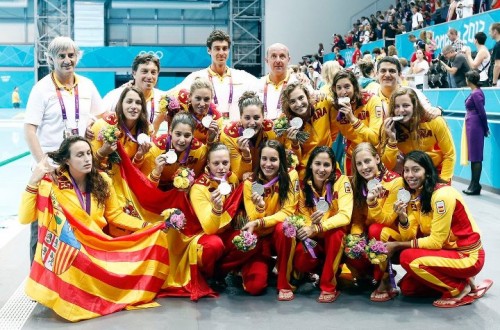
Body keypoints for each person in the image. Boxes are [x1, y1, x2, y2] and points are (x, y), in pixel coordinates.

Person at [18, 136, 169, 321]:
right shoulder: (53, 184)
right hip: (71, 251)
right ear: (67, 160)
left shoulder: (102, 179)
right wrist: (33, 181)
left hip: (97, 247)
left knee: (129, 267)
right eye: (80, 155)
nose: (87, 159)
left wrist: (148, 226)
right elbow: (25, 218)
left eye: (89, 153)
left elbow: (115, 216)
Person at [24, 36, 104, 264]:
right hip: (52, 167)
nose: (67, 60)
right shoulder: (42, 89)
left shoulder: (87, 85)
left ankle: (75, 275)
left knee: (78, 222)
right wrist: (43, 164)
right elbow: (29, 129)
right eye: (61, 56)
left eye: (71, 55)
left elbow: (100, 116)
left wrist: (90, 122)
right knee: (43, 223)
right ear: (51, 59)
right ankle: (37, 277)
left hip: (79, 167)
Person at [386, 150, 492, 308]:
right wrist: (402, 217)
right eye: (406, 170)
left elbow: (435, 242)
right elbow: (409, 234)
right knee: (408, 289)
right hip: (447, 252)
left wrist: (397, 245)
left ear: (428, 172)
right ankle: (460, 279)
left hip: (468, 256)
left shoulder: (442, 195)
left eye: (416, 169)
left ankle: (459, 288)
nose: (409, 175)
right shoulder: (416, 194)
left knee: (407, 257)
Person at [273, 146, 353, 302]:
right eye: (317, 164)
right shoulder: (303, 185)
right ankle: (293, 278)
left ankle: (328, 286)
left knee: (337, 234)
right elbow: (301, 215)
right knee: (301, 254)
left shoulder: (342, 182)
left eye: (326, 165)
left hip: (333, 239)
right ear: (310, 164)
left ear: (333, 166)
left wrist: (318, 227)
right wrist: (311, 226)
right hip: (313, 239)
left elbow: (345, 216)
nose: (322, 169)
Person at [242, 139, 300, 296]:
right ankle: (267, 263)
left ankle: (284, 284)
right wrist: (260, 207)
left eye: (273, 159)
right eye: (264, 159)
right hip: (260, 239)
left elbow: (287, 212)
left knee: (286, 228)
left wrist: (261, 221)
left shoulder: (290, 175)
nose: (268, 164)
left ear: (281, 160)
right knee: (255, 287)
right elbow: (251, 217)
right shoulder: (249, 183)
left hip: (278, 235)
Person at [348, 142, 403, 302]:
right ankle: (367, 275)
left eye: (367, 161)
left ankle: (385, 279)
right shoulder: (357, 183)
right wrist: (355, 238)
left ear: (377, 158)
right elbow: (357, 219)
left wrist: (372, 202)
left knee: (375, 229)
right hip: (368, 237)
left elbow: (387, 219)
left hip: (391, 236)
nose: (364, 167)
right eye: (359, 163)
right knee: (349, 243)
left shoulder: (395, 182)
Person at [169, 30, 258, 121]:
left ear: (229, 50)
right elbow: (169, 96)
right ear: (209, 50)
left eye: (224, 48)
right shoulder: (196, 77)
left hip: (235, 131)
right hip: (207, 130)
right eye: (217, 48)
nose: (221, 53)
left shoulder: (243, 76)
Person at [380, 87, 456, 182]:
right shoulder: (389, 127)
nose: (401, 110)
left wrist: (444, 181)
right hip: (410, 175)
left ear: (415, 106)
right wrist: (392, 139)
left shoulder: (434, 121)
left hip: (436, 171)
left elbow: (449, 154)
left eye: (406, 105)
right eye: (396, 106)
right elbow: (388, 165)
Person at [331, 69, 384, 175]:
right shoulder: (334, 107)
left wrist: (353, 119)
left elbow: (374, 138)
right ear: (334, 89)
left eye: (347, 86)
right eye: (339, 88)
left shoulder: (372, 101)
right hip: (352, 158)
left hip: (373, 158)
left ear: (354, 87)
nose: (343, 92)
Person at [279, 82, 333, 179]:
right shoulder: (286, 123)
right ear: (288, 105)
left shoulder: (322, 102)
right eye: (292, 101)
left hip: (328, 162)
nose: (299, 104)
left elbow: (339, 100)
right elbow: (294, 160)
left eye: (301, 98)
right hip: (306, 169)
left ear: (307, 96)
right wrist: (294, 143)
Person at [142, 112, 207, 191]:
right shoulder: (155, 149)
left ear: (193, 135)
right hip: (158, 191)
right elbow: (144, 187)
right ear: (170, 131)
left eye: (187, 135)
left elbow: (198, 182)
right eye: (178, 134)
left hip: (183, 193)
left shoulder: (200, 151)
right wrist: (156, 172)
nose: (182, 140)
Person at [220, 91, 276, 180]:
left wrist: (257, 175)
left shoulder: (272, 130)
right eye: (247, 118)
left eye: (256, 118)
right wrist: (246, 155)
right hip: (242, 181)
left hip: (267, 176)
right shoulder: (229, 135)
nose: (252, 123)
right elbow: (239, 175)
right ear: (240, 117)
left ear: (263, 117)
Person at [102, 53, 163, 133]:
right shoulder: (115, 96)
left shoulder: (163, 99)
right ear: (134, 73)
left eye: (153, 72)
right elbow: (97, 117)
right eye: (144, 71)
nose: (149, 76)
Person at [374, 56, 441, 117]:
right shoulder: (371, 96)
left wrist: (438, 110)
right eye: (383, 71)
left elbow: (430, 112)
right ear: (377, 74)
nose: (387, 74)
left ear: (399, 74)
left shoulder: (414, 93)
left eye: (392, 71)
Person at [462, 70, 489, 195]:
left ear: (469, 80)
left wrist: (485, 128)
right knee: (474, 156)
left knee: (476, 156)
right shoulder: (474, 92)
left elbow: (482, 112)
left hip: (475, 126)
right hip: (472, 125)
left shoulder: (476, 93)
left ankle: (475, 185)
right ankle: (474, 184)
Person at [255, 43, 298, 120]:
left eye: (282, 56)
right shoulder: (257, 85)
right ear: (267, 60)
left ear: (288, 60)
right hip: (263, 130)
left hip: (290, 131)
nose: (278, 60)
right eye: (274, 56)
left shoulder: (298, 83)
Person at [184, 78, 224, 145]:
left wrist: (211, 139)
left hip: (203, 154)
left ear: (211, 99)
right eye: (198, 98)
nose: (202, 104)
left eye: (206, 99)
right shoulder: (180, 106)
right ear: (190, 96)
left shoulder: (216, 118)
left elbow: (214, 152)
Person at [490, 23, 500, 87]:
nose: (489, 33)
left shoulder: (498, 45)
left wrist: (494, 83)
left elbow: (497, 65)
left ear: (495, 31)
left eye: (490, 31)